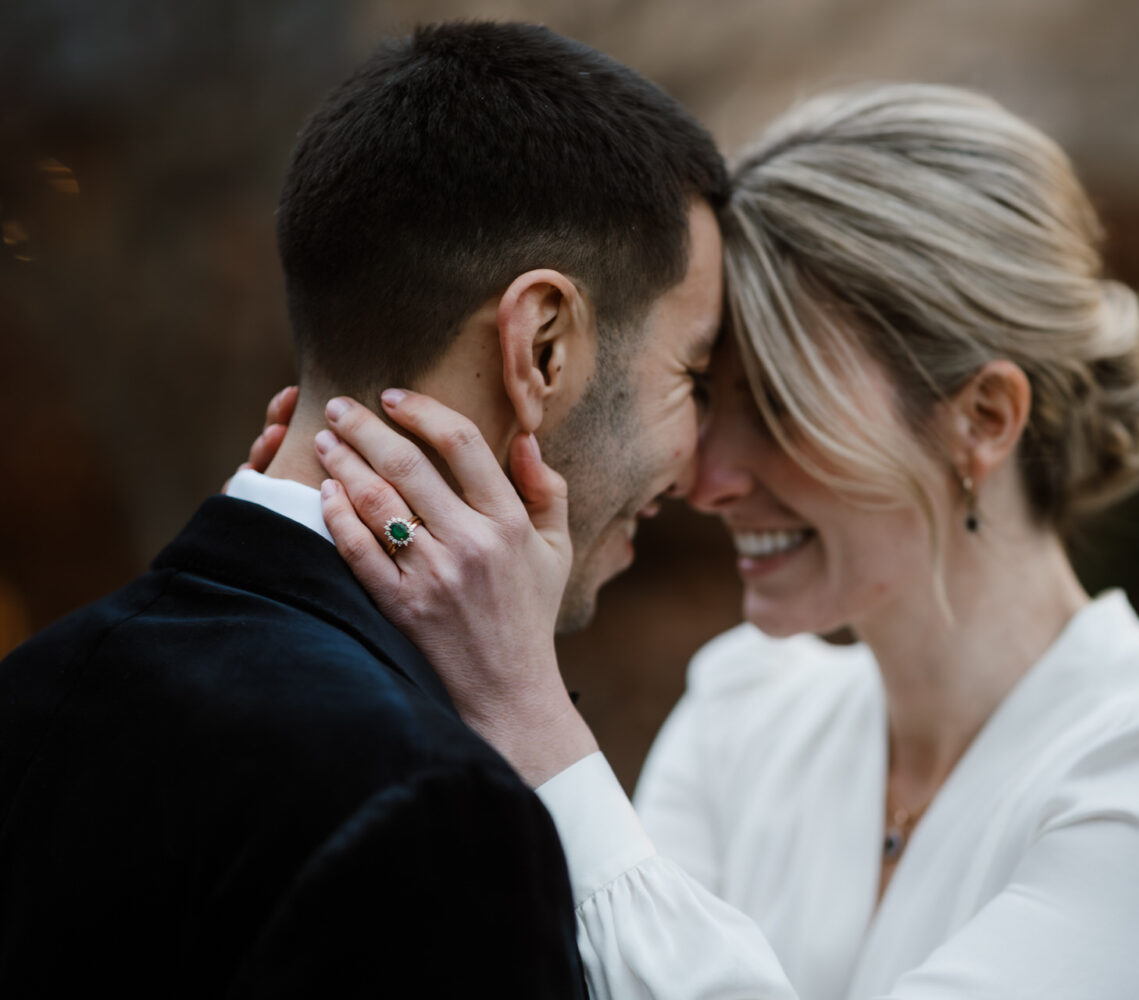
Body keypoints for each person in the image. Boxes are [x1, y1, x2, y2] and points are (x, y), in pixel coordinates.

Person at [297, 84, 1139, 998]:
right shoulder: (744, 714)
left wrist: (526, 709)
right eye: (705, 395)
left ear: (982, 418)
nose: (707, 479)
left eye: (782, 409)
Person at [0, 21, 727, 995]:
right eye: (693, 372)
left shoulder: (36, 684)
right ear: (542, 347)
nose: (698, 462)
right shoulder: (437, 811)